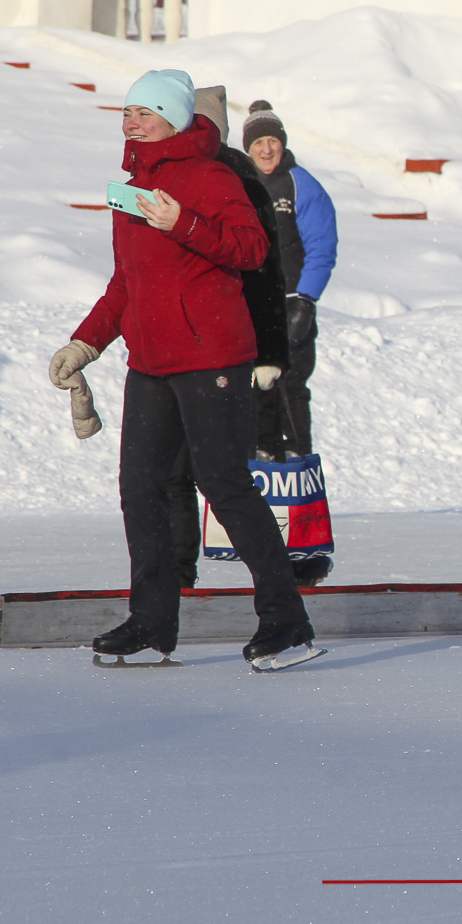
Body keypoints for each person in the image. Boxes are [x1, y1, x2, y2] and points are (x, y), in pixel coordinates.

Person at [47, 68, 316, 667]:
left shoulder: (211, 176)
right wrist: (85, 343)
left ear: (173, 117)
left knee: (224, 484)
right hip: (150, 362)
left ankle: (286, 617)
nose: (132, 121)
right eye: (127, 112)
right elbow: (127, 282)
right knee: (140, 487)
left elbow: (252, 248)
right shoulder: (131, 189)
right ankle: (152, 620)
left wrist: (184, 223)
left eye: (145, 112)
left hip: (211, 357)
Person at [166, 84, 291, 589]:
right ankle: (175, 577)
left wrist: (270, 352)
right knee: (170, 474)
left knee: (221, 476)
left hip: (223, 346)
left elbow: (265, 274)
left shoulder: (239, 179)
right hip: (172, 349)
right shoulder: (163, 176)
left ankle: (276, 584)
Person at [238, 101, 337, 469]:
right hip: (250, 305)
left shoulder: (301, 184)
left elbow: (322, 247)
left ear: (282, 144)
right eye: (258, 143)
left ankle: (296, 460)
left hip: (291, 302)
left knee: (290, 387)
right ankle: (260, 460)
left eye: (273, 141)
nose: (266, 150)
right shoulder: (240, 183)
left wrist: (305, 301)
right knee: (252, 388)